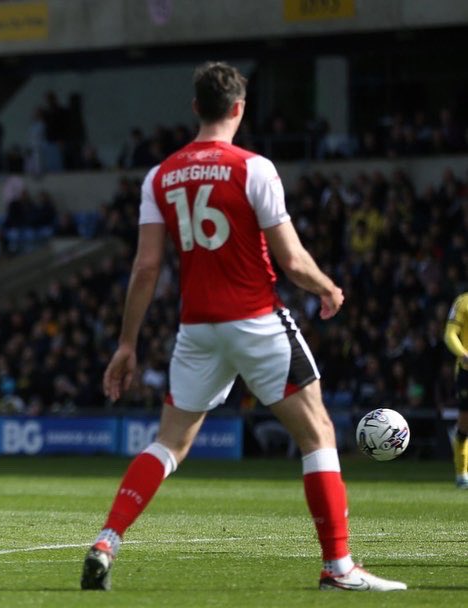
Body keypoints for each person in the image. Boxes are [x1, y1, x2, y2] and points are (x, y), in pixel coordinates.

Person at [79, 62, 407, 592]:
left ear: (195, 109)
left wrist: (127, 343)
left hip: (197, 330)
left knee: (169, 445)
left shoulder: (159, 175)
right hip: (255, 320)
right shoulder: (254, 168)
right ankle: (339, 568)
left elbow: (145, 268)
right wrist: (327, 287)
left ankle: (106, 541)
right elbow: (293, 261)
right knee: (317, 432)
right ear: (239, 108)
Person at [443, 292, 468, 489]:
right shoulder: (462, 302)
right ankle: (462, 475)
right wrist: (463, 354)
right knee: (464, 424)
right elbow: (450, 333)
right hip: (467, 372)